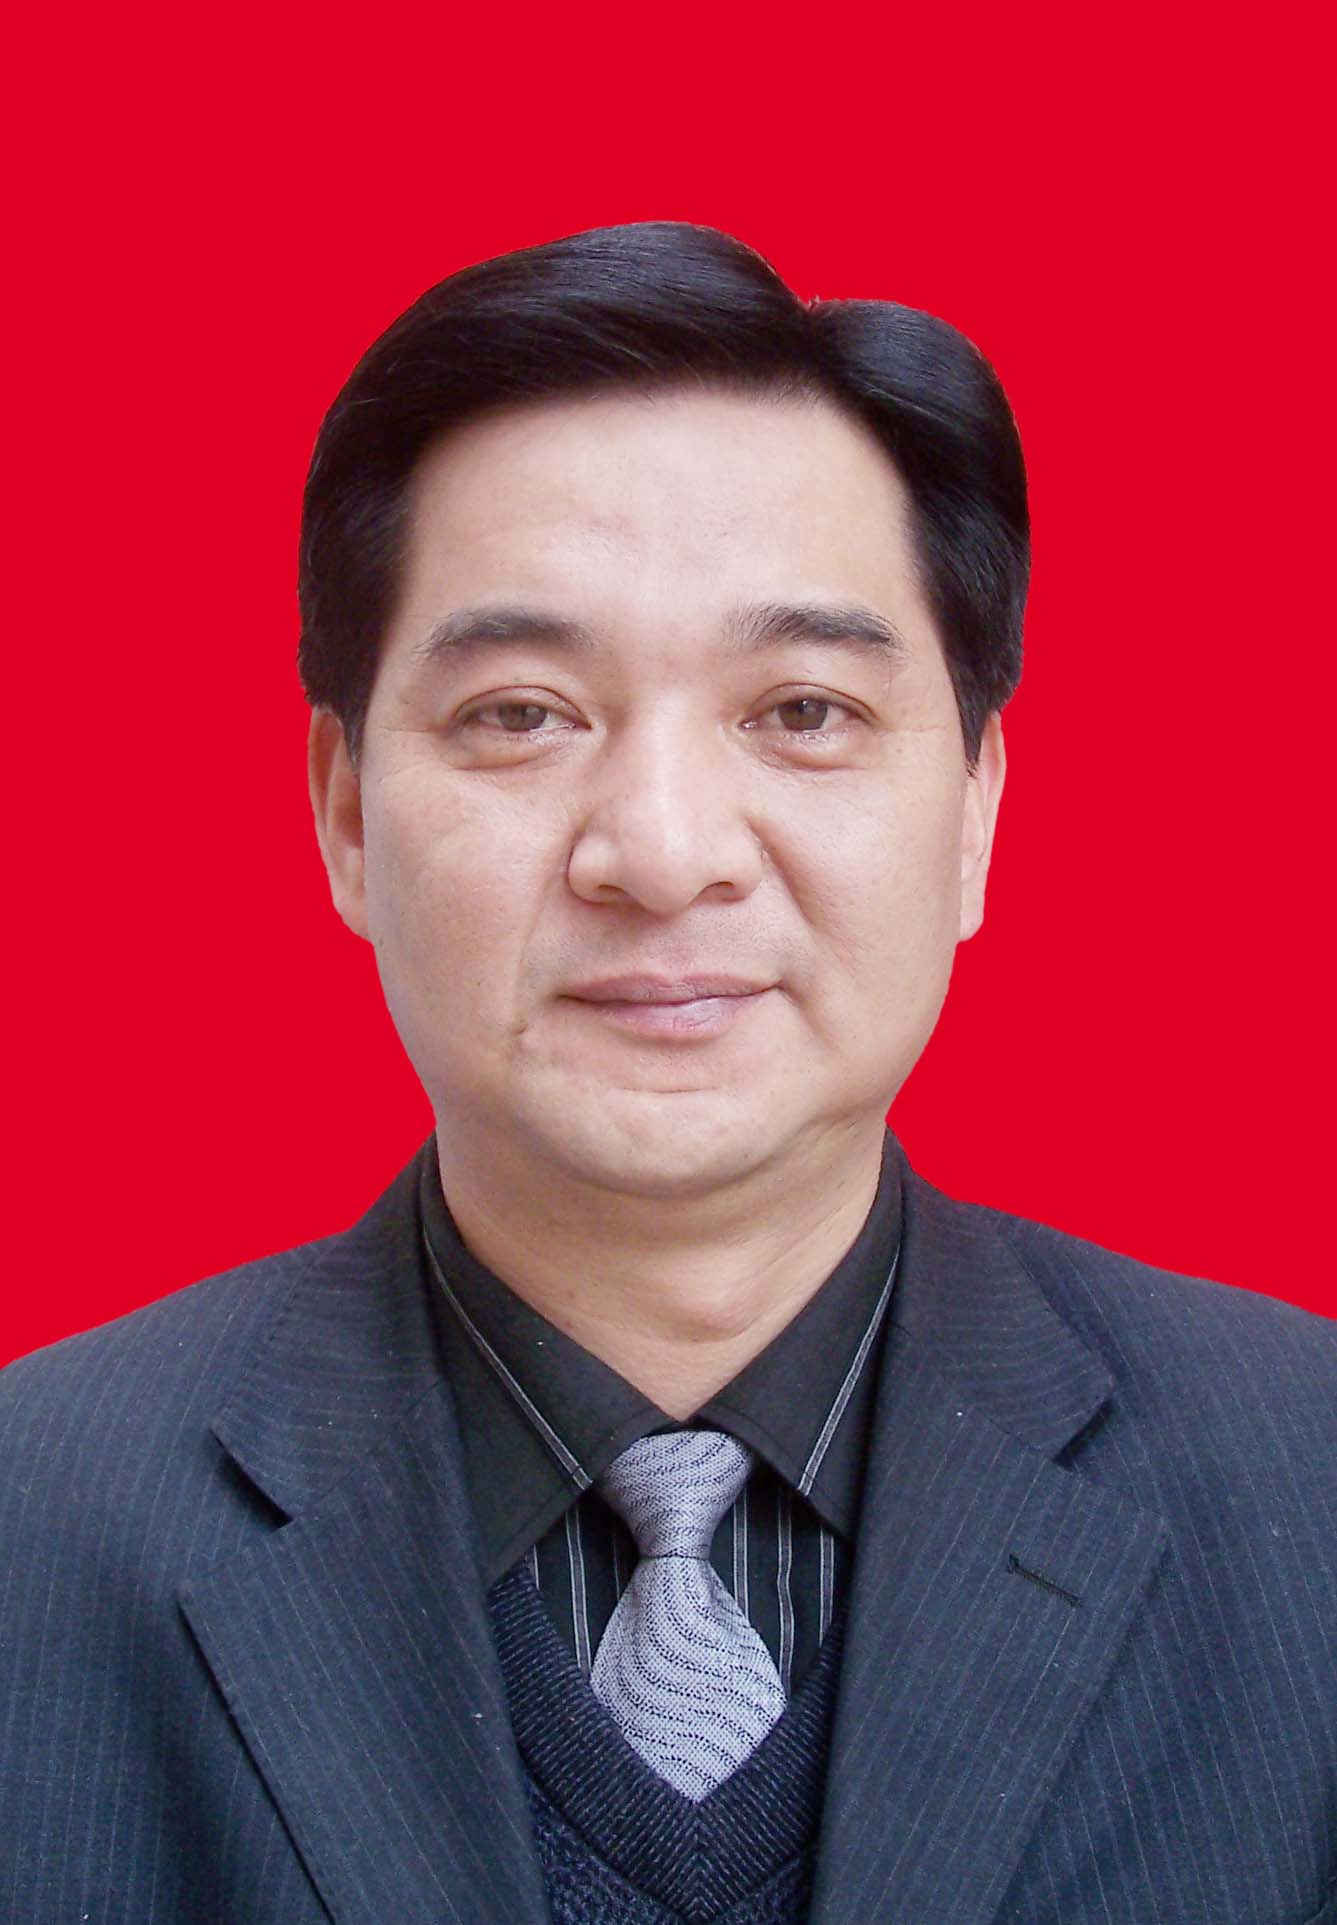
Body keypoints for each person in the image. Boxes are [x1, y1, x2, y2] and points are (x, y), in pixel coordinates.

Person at [1, 222, 1333, 1925]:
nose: (661, 850)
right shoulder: (34, 1525)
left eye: (801, 711)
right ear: (345, 814)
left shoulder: (1309, 1489)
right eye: (521, 713)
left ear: (976, 810)